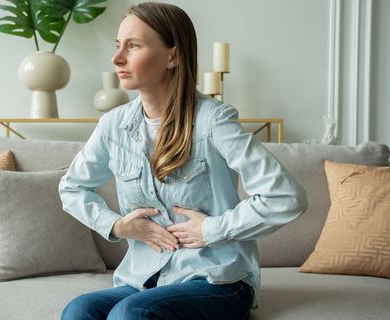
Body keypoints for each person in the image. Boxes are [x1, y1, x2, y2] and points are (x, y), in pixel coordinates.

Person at [58, 2, 307, 320]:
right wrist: (118, 226)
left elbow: (286, 197)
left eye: (133, 46)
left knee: (131, 313)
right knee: (80, 310)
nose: (117, 58)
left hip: (217, 281)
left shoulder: (213, 121)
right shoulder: (113, 124)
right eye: (118, 45)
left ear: (172, 56)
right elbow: (72, 188)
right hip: (144, 280)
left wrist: (214, 230)